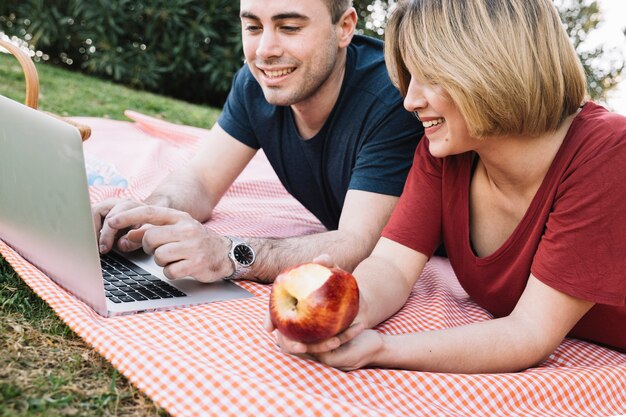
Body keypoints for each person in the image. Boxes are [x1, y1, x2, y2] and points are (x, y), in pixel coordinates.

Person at [268, 0, 626, 373]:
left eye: (430, 76)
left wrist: (380, 350)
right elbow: (391, 264)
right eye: (409, 77)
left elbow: (529, 333)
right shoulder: (447, 149)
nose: (409, 101)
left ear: (495, 66)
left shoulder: (608, 150)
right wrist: (345, 311)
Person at [94, 0, 422, 283]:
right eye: (252, 27)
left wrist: (227, 254)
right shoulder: (255, 84)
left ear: (345, 28)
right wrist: (149, 214)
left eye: (290, 27)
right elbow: (202, 180)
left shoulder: (393, 96)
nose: (265, 50)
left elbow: (356, 243)